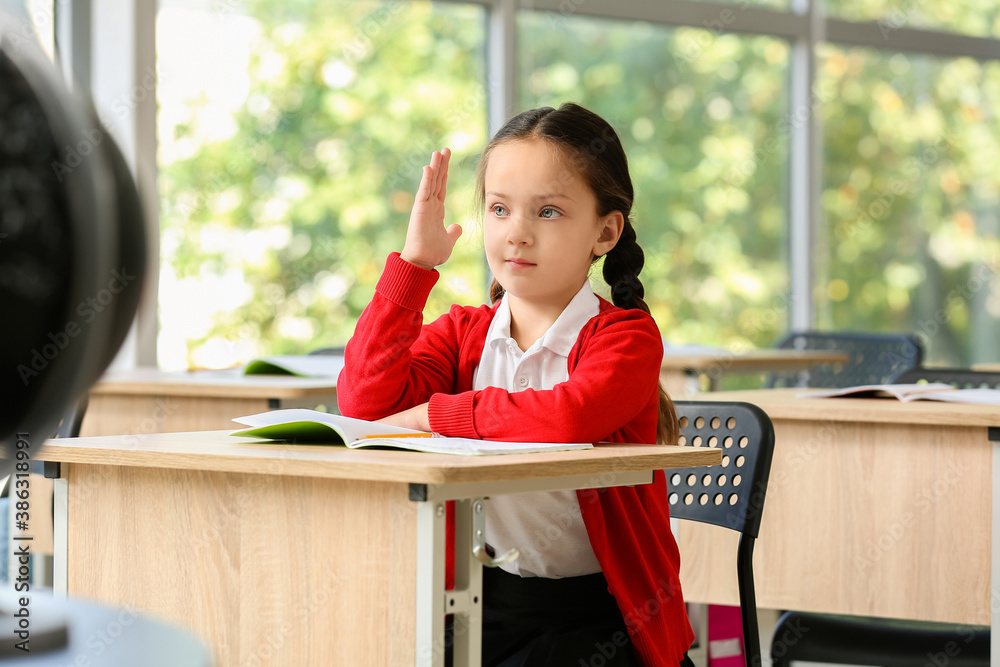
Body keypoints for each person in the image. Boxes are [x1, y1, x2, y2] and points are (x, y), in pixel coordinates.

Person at [337, 103, 694, 666]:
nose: (517, 234)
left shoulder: (625, 338)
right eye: (500, 209)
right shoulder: (462, 334)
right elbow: (364, 405)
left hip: (599, 617)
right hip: (478, 605)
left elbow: (569, 418)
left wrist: (436, 416)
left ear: (605, 231)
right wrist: (414, 266)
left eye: (548, 212)